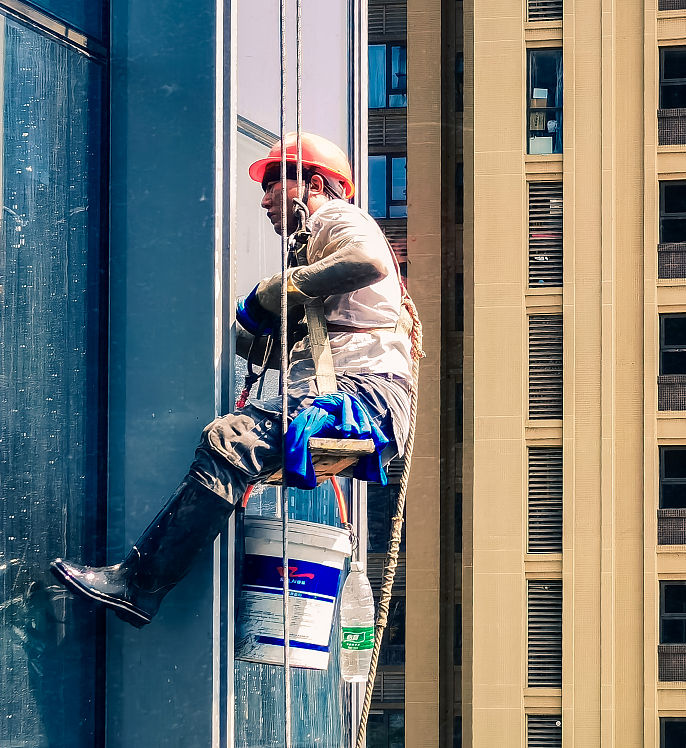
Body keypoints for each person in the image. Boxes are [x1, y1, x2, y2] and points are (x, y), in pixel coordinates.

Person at [51, 133, 415, 628]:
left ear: (314, 184)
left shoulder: (337, 217)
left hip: (364, 395)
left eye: (273, 185)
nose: (264, 200)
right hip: (366, 398)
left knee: (230, 440)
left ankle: (139, 584)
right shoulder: (313, 252)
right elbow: (282, 349)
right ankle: (141, 583)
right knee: (235, 445)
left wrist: (278, 288)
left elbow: (368, 262)